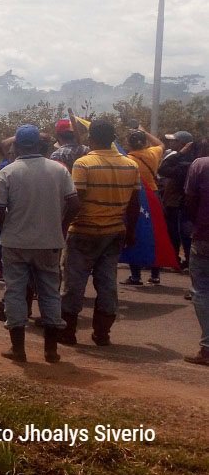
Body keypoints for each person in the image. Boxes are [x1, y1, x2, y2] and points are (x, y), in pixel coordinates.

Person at [0, 125, 80, 363]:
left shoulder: (8, 172)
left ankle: (18, 349)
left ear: (17, 145)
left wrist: (5, 228)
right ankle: (51, 350)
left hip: (15, 243)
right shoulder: (59, 170)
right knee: (50, 293)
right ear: (40, 146)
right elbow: (74, 204)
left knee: (15, 293)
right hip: (49, 242)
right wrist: (60, 228)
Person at [60, 119, 139, 347]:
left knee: (74, 283)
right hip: (115, 232)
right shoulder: (130, 165)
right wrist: (131, 232)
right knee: (107, 283)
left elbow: (76, 201)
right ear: (113, 138)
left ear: (91, 139)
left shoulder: (84, 164)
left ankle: (68, 333)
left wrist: (64, 226)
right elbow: (134, 204)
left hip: (84, 231)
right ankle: (102, 334)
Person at [124, 128, 166, 285]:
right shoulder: (153, 153)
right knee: (153, 234)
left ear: (129, 143)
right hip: (154, 197)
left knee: (134, 232)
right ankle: (155, 275)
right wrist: (144, 131)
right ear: (145, 142)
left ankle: (135, 276)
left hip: (136, 197)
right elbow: (161, 143)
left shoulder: (128, 159)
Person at [183, 151, 209, 366]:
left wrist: (197, 225)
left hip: (204, 237)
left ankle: (207, 348)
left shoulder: (200, 166)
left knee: (201, 291)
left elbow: (190, 201)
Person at [160, 131, 197, 270]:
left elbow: (163, 169)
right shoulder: (187, 159)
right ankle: (181, 260)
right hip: (176, 202)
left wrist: (180, 154)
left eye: (174, 141)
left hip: (178, 203)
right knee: (179, 233)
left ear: (183, 144)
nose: (171, 143)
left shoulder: (183, 161)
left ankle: (181, 261)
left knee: (179, 234)